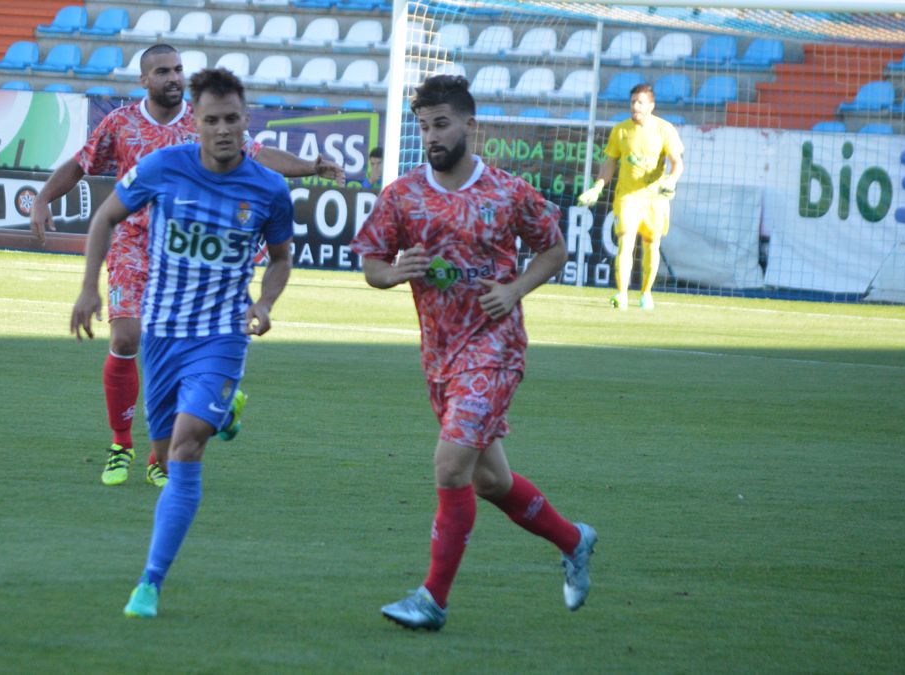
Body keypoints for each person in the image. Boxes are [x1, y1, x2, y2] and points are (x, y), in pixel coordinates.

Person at [350, 75, 597, 632]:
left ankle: (432, 599)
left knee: (449, 464)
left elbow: (553, 248)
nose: (432, 136)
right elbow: (370, 262)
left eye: (442, 124)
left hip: (495, 348)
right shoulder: (404, 195)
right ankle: (573, 540)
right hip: (440, 356)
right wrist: (393, 274)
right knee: (489, 482)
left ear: (469, 125)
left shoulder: (508, 192)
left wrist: (513, 290)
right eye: (424, 127)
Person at [33, 44, 342, 488]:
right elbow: (80, 165)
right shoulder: (121, 124)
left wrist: (310, 166)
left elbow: (258, 154)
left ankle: (174, 443)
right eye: (163, 71)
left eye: (178, 70)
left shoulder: (202, 122)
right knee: (125, 335)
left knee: (181, 347)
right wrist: (44, 198)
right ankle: (122, 443)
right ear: (144, 80)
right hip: (133, 244)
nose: (173, 77)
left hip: (187, 254)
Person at [71, 68, 294, 619]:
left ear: (247, 120)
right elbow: (105, 218)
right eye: (212, 120)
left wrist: (264, 303)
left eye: (233, 119)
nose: (223, 130)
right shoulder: (164, 167)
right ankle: (226, 410)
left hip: (221, 334)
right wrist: (87, 289)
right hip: (163, 333)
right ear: (194, 123)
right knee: (167, 451)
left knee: (188, 446)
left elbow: (283, 257)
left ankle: (148, 582)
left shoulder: (269, 189)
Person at [577, 82, 685, 311]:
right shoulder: (621, 130)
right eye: (633, 101)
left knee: (651, 245)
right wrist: (597, 187)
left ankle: (646, 294)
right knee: (625, 242)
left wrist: (672, 179)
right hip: (627, 197)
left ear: (651, 106)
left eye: (640, 102)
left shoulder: (664, 130)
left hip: (655, 199)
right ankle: (622, 294)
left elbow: (677, 162)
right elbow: (610, 163)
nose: (635, 106)